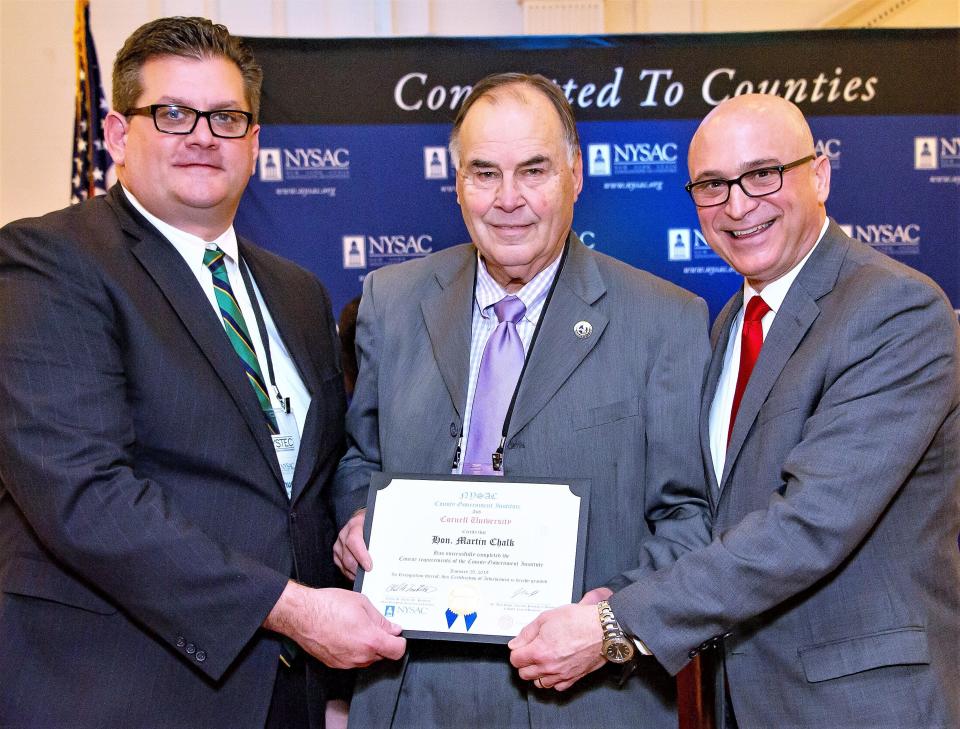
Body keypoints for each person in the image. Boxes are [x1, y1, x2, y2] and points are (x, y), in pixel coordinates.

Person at [0, 16, 403, 729]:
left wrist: (359, 525)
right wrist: (296, 609)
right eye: (172, 113)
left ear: (254, 143)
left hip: (285, 695)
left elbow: (308, 480)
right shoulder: (50, 262)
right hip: (118, 687)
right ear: (118, 135)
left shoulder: (299, 292)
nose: (202, 137)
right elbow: (85, 495)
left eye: (226, 117)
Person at [508, 93, 960, 728]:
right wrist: (627, 590)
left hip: (861, 705)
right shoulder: (729, 325)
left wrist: (618, 622)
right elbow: (712, 512)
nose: (739, 204)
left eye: (763, 174)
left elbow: (809, 525)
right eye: (713, 185)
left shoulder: (894, 310)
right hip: (747, 701)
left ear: (821, 174)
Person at [331, 72, 712, 728]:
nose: (509, 199)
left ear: (576, 173)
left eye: (534, 170)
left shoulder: (664, 319)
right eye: (484, 172)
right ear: (456, 184)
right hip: (410, 690)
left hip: (587, 696)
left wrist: (612, 618)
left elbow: (690, 516)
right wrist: (356, 521)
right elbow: (358, 462)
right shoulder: (390, 301)